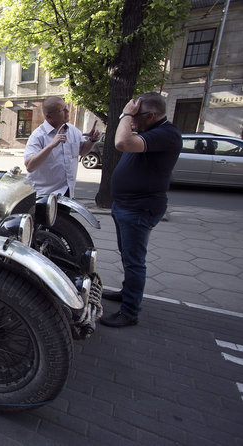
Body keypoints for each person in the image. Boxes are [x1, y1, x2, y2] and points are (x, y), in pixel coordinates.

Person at [100, 92, 182, 328]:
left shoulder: (167, 134)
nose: (133, 121)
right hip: (127, 206)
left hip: (139, 209)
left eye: (137, 116)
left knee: (135, 261)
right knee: (128, 257)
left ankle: (130, 311)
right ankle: (128, 294)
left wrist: (125, 113)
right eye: (132, 116)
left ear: (152, 115)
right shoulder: (151, 132)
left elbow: (122, 143)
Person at [24, 96, 101, 198]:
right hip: (43, 195)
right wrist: (51, 146)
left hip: (67, 192)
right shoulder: (38, 136)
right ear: (48, 117)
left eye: (66, 107)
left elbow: (82, 151)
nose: (68, 111)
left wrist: (92, 140)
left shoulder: (73, 131)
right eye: (62, 110)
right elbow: (30, 166)